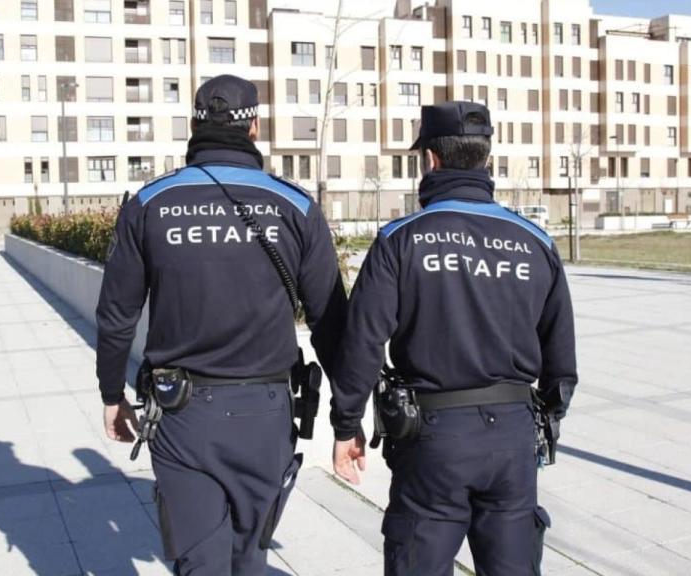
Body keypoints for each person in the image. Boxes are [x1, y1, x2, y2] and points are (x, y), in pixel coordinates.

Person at [95, 74, 347, 575]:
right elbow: (333, 322)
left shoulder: (151, 204)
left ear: (194, 124)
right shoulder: (294, 206)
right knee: (249, 558)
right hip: (267, 415)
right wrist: (349, 413)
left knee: (200, 563)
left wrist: (110, 394)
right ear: (254, 126)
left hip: (182, 414)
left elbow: (117, 314)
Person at [330, 101, 578, 575]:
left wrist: (346, 425)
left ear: (431, 159)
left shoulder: (402, 237)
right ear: (487, 158)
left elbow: (363, 340)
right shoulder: (534, 241)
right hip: (512, 434)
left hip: (433, 437)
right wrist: (544, 421)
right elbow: (561, 357)